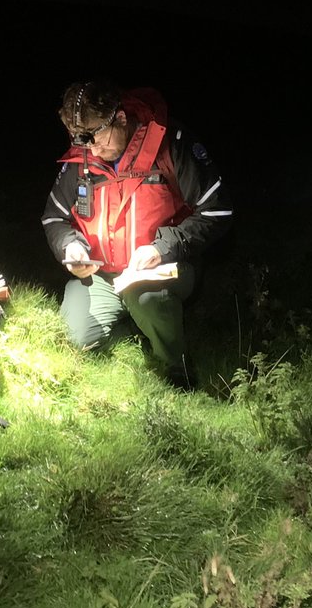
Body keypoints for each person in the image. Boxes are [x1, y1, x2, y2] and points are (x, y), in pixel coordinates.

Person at [41, 80, 233, 390]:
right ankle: (137, 331)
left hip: (164, 269)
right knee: (76, 338)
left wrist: (162, 247)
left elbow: (217, 211)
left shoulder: (171, 144)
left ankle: (176, 370)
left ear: (120, 118)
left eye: (98, 139)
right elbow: (54, 217)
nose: (93, 151)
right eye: (83, 142)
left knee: (146, 296)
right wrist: (70, 245)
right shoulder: (83, 157)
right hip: (103, 275)